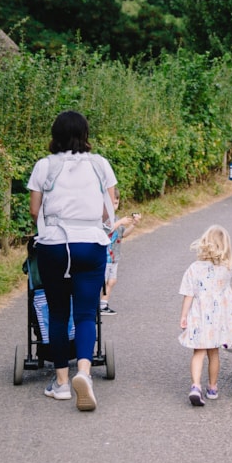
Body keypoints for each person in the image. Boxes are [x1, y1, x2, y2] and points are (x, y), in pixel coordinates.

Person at [28, 110, 118, 412]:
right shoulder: (100, 164)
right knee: (85, 314)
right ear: (85, 134)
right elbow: (109, 210)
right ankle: (84, 372)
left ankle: (62, 383)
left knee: (57, 313)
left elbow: (34, 210)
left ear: (55, 135)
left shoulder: (44, 166)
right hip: (90, 243)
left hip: (54, 245)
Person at [179, 224, 232, 406]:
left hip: (198, 317)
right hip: (217, 321)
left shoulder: (194, 268)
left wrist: (184, 315)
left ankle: (195, 386)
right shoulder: (228, 267)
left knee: (198, 352)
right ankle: (212, 387)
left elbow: (188, 294)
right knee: (213, 353)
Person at [100, 209, 141, 315]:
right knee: (101, 282)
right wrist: (120, 222)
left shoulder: (117, 218)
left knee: (112, 281)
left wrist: (133, 224)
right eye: (112, 202)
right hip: (104, 257)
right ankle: (93, 306)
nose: (114, 205)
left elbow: (123, 234)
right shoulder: (102, 219)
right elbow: (106, 231)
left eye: (116, 202)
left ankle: (103, 305)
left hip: (115, 257)